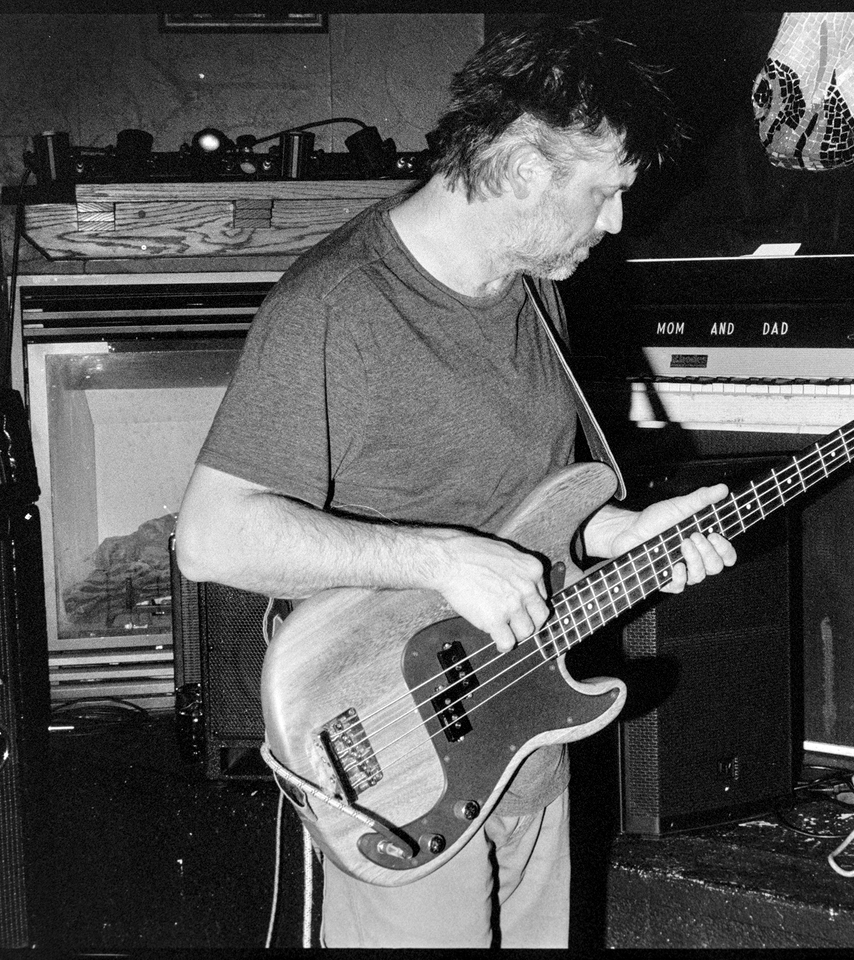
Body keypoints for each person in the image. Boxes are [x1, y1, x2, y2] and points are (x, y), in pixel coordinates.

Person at [174, 18, 736, 949]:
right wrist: (440, 559)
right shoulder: (338, 306)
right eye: (606, 194)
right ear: (521, 171)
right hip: (390, 743)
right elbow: (214, 536)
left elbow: (530, 505)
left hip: (525, 730)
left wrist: (620, 534)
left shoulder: (531, 284)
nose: (616, 223)